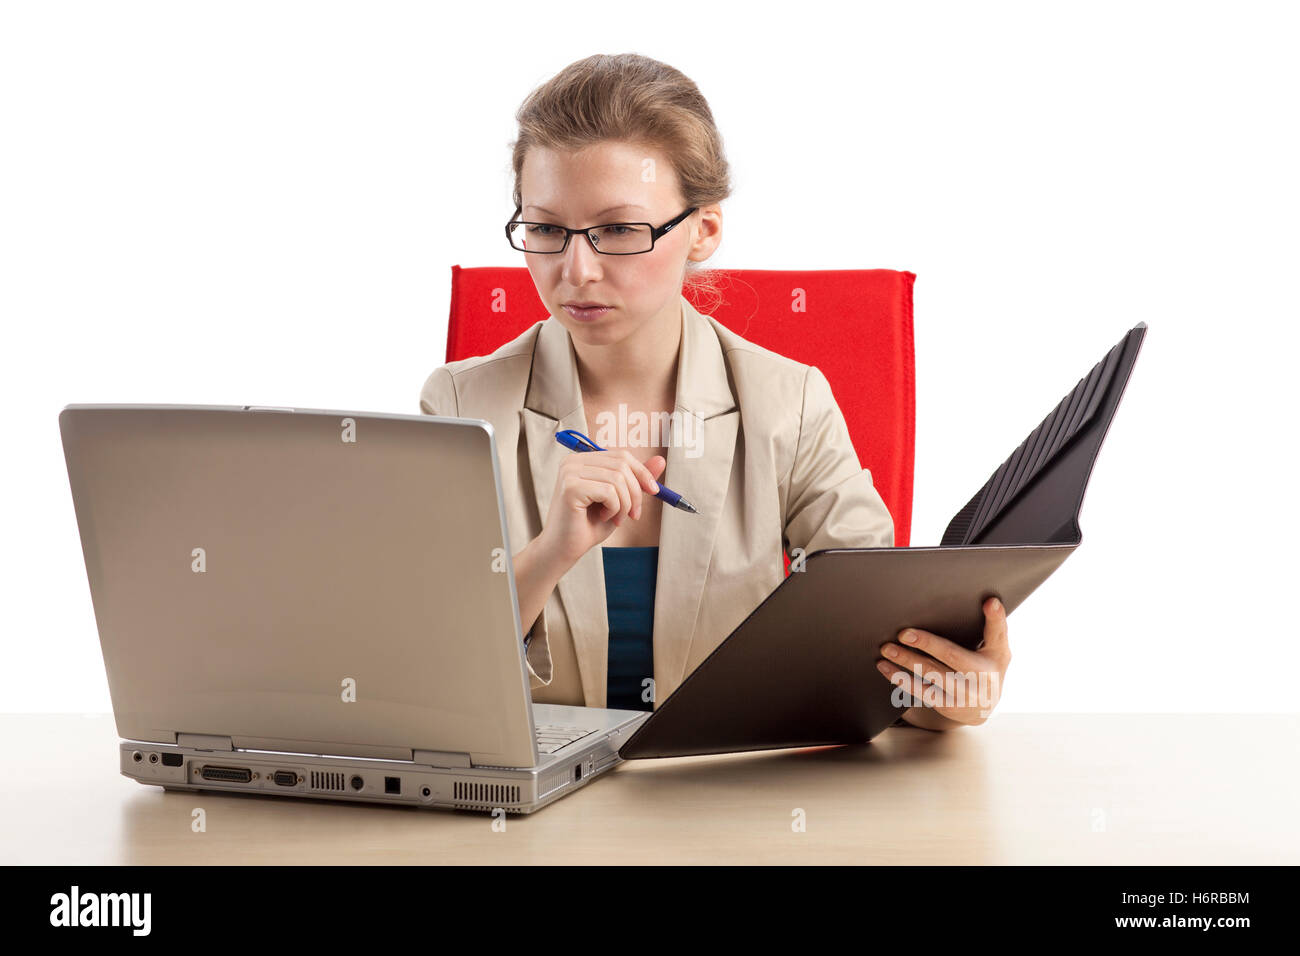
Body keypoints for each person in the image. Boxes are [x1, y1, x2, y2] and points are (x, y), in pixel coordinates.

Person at [420, 53, 1010, 732]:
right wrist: (548, 553)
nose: (574, 270)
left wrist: (954, 693)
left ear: (702, 230)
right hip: (538, 821)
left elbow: (881, 664)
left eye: (617, 229)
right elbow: (425, 681)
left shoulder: (790, 404)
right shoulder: (462, 407)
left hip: (733, 803)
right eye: (547, 229)